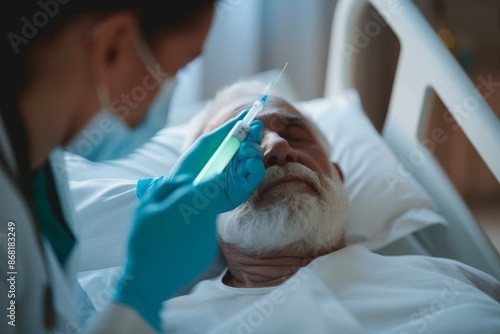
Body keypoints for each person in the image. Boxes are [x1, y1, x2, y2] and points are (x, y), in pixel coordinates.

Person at [0, 2, 266, 333]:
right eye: (177, 69)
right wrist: (139, 299)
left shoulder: (37, 159)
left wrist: (162, 191)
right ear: (113, 45)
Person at [158, 80, 500, 334]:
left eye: (296, 134)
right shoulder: (164, 324)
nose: (277, 148)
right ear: (201, 203)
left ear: (337, 176)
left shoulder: (453, 283)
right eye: (239, 145)